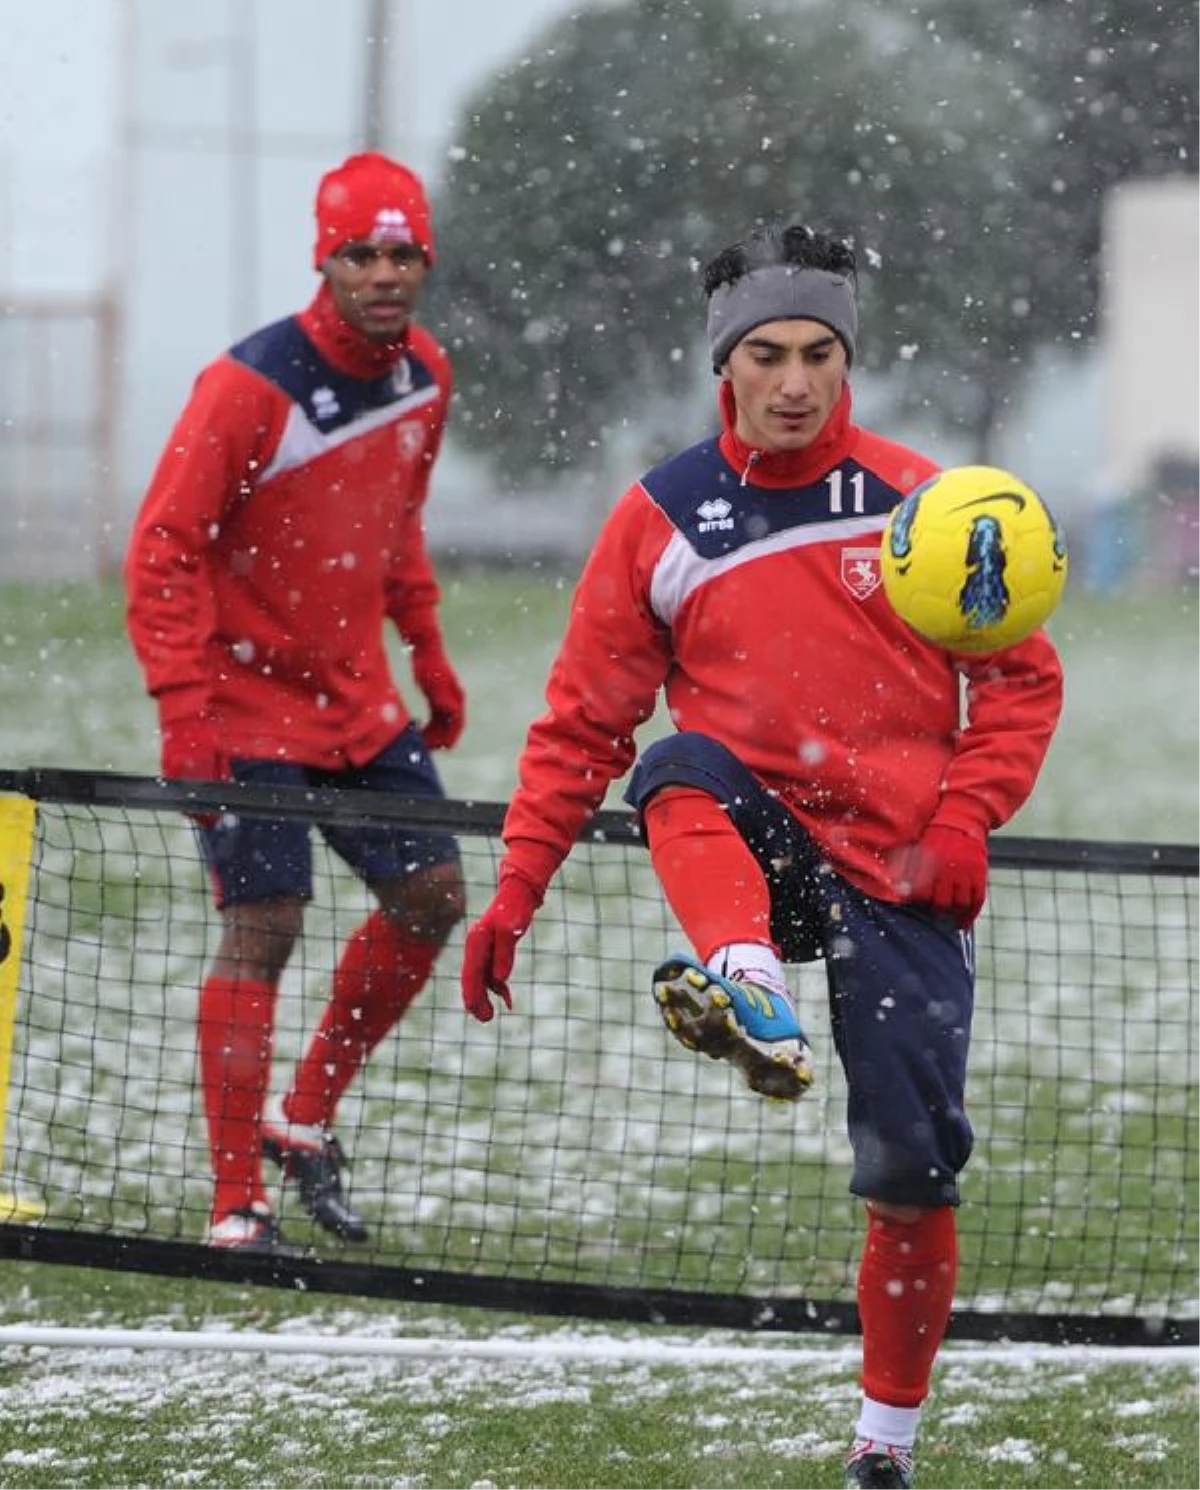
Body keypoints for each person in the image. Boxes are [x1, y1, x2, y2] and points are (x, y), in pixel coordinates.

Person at [460, 222, 1063, 1487]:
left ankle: (883, 1448)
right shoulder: (662, 520)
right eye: (769, 355)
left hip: (906, 877)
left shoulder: (927, 506)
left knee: (909, 1177)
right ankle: (751, 984)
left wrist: (962, 820)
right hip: (760, 844)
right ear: (723, 365)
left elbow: (1019, 683)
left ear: (849, 362)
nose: (796, 381)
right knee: (675, 766)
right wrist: (516, 889)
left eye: (821, 355)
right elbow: (583, 722)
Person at [126, 152, 467, 1256]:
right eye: (361, 252)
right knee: (261, 928)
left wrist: (427, 650)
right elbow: (162, 547)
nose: (383, 271)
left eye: (402, 251)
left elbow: (397, 528)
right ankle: (237, 1205)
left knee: (434, 893)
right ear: (323, 259)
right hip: (239, 709)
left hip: (357, 705)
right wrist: (186, 709)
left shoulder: (427, 376)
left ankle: (303, 1118)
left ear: (424, 259)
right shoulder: (248, 385)